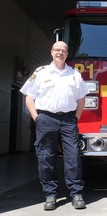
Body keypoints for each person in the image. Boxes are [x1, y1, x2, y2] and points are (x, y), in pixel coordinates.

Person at [20, 41, 89, 210]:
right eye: (57, 50)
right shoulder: (40, 72)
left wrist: (75, 118)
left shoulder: (74, 74)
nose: (60, 53)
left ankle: (76, 193)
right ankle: (50, 195)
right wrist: (37, 118)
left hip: (68, 120)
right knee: (46, 157)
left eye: (63, 50)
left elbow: (81, 99)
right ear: (52, 52)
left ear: (67, 54)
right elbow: (29, 96)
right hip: (46, 119)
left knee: (73, 157)